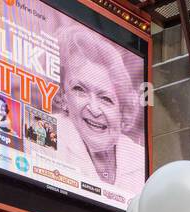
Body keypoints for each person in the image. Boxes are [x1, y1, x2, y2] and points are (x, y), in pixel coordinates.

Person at [55, 27, 146, 190]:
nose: (94, 109)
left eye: (106, 98)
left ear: (122, 111)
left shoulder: (139, 158)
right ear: (63, 96)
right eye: (79, 89)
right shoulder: (51, 135)